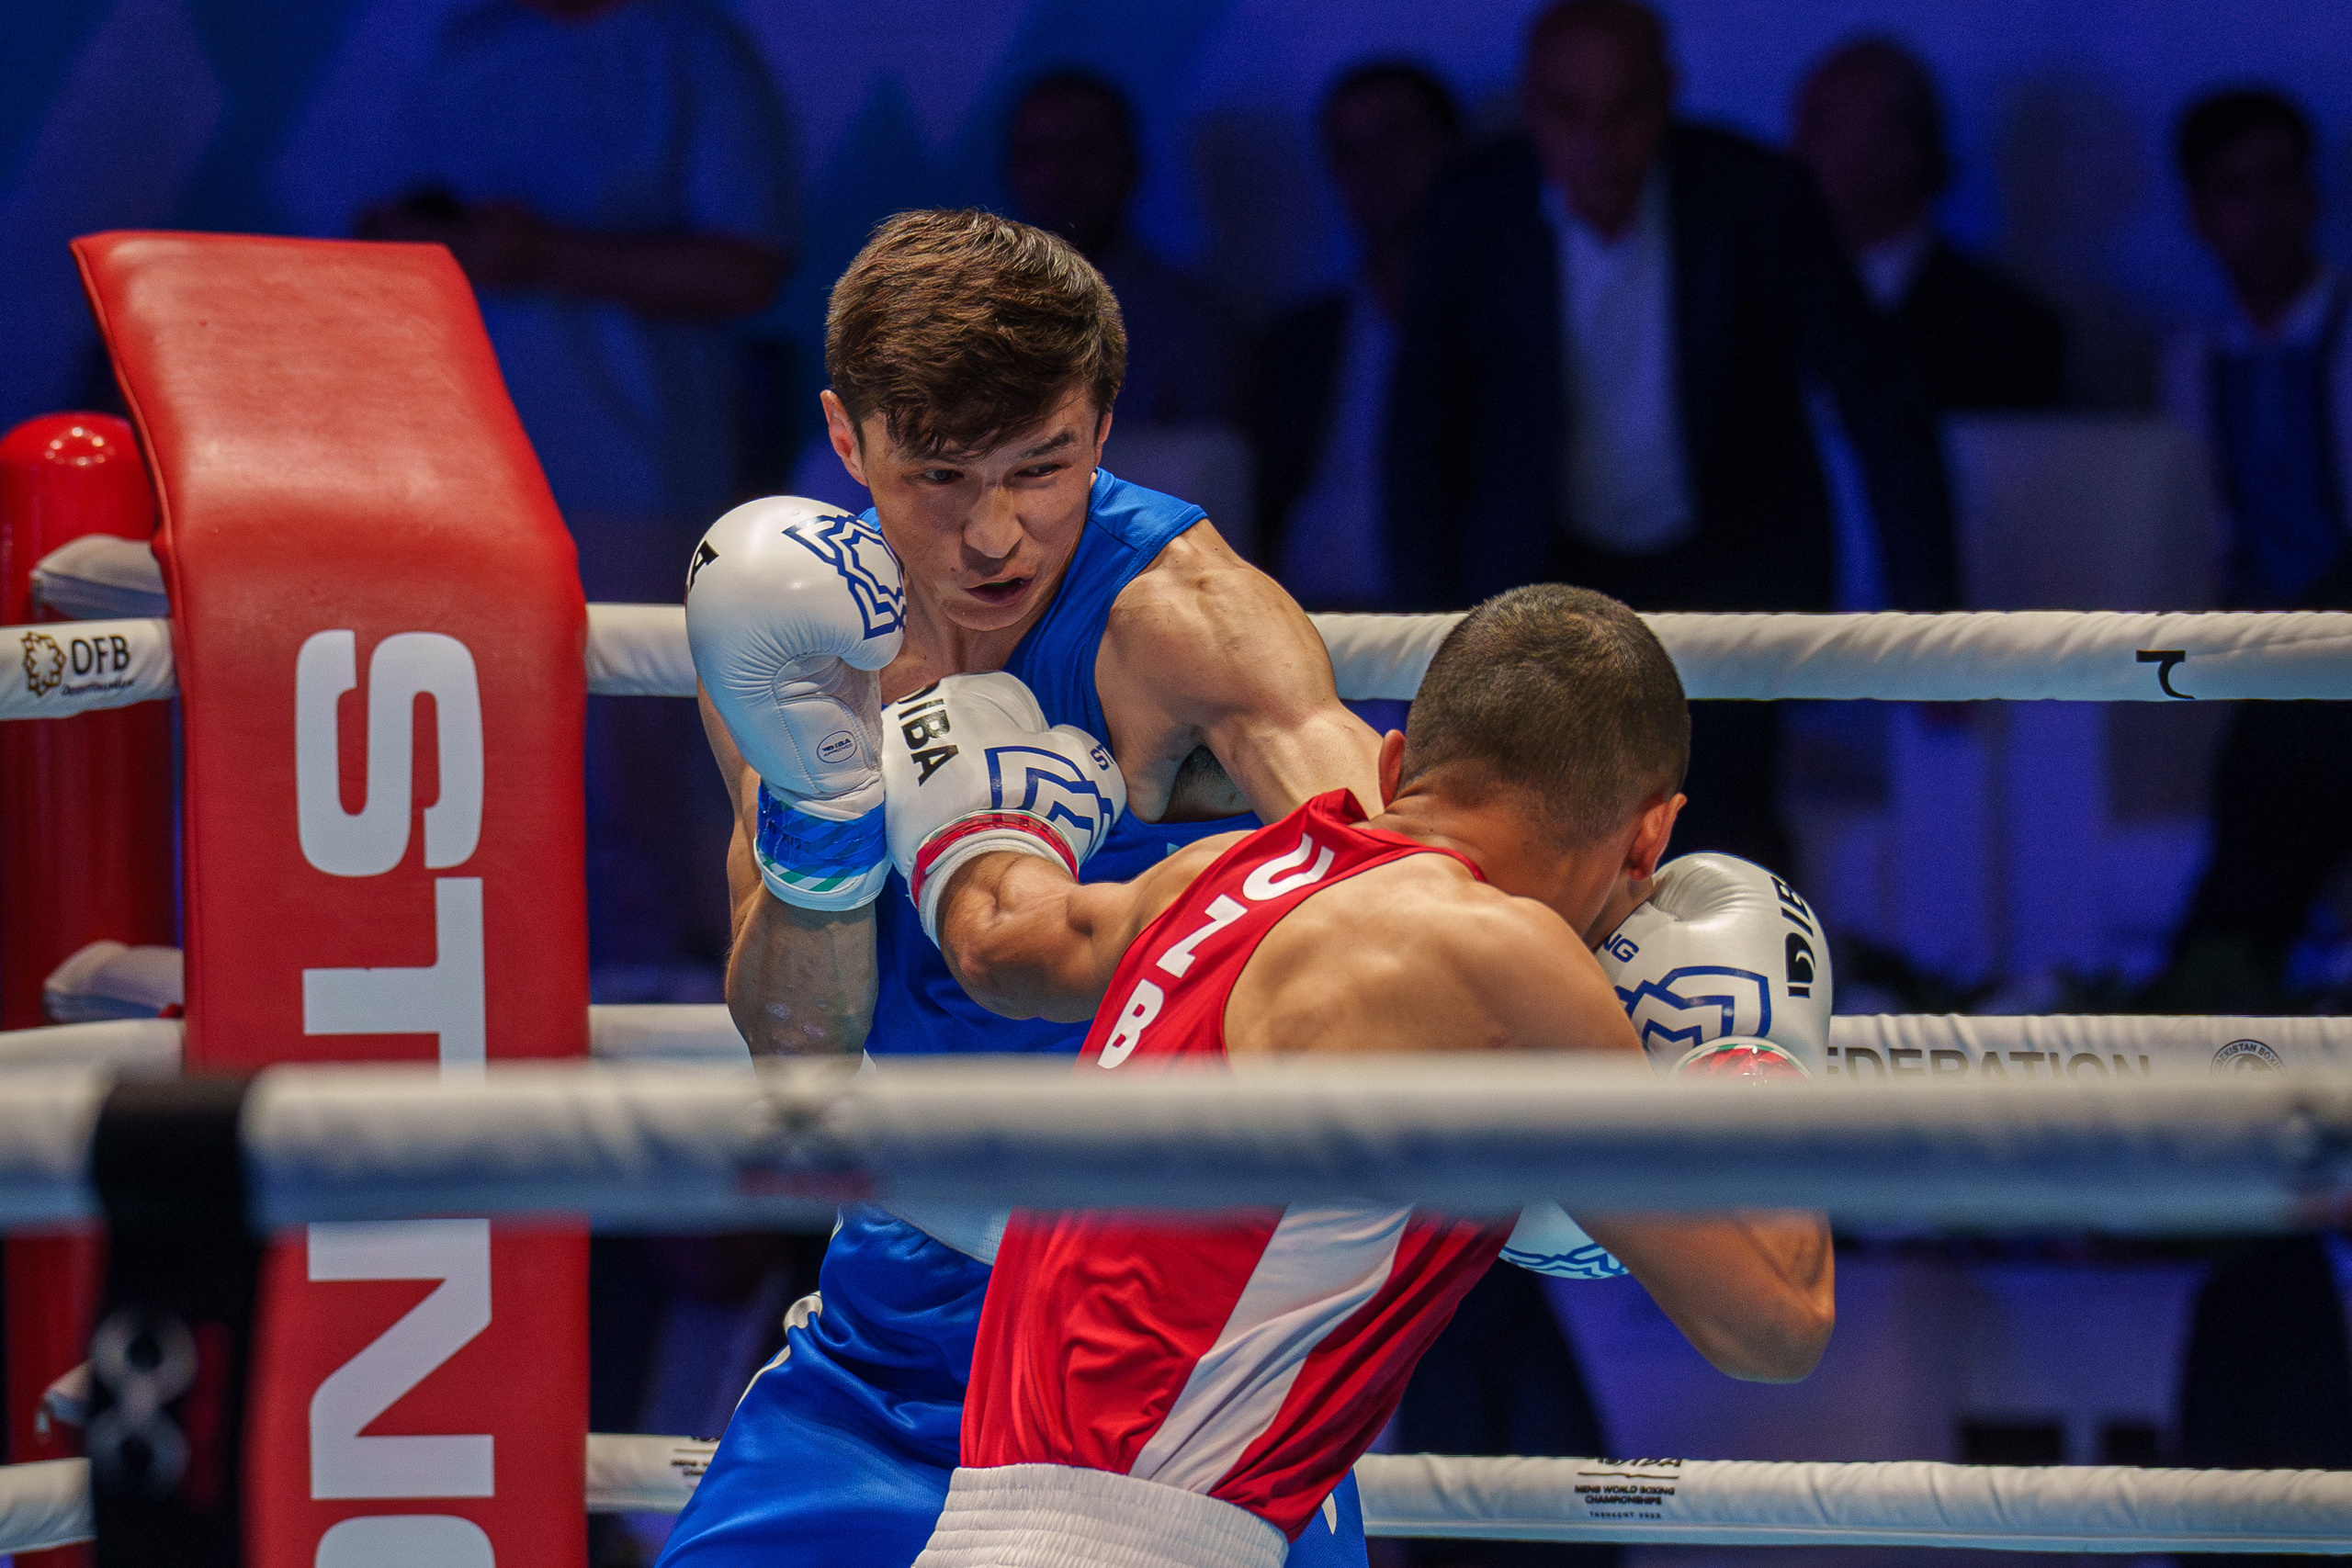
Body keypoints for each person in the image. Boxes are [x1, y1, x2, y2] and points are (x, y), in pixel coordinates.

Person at [659, 209, 1383, 1568]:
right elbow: (800, 1048)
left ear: (1103, 424)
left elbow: (1390, 895)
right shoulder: (793, 627)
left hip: (1164, 1320)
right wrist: (828, 816)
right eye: (940, 475)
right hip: (899, 1302)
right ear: (848, 436)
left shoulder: (1185, 621)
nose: (996, 533)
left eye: (1041, 468)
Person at [892, 585, 1836, 1566]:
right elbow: (1774, 1324)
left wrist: (969, 815)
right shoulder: (1508, 959)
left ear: (1392, 767)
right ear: (1650, 837)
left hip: (974, 1521)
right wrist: (1749, 1044)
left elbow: (1002, 948)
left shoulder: (1215, 875)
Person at [1385, 0, 1951, 872]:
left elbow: (1881, 404)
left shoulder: (1757, 196)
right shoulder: (1473, 211)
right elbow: (1421, 438)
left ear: (1667, 98)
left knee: (1727, 835)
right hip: (1538, 569)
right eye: (1567, 112)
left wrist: (1932, 620)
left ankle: (1752, 967)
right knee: (1526, 839)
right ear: (1529, 108)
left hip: (1730, 563)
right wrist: (1421, 646)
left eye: (1624, 111)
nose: (1595, 144)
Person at [357, 0, 797, 985]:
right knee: (479, 736)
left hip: (638, 466)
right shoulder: (470, 46)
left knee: (649, 747)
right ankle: (508, 976)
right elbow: (393, 218)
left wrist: (548, 255)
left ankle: (698, 985)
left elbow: (750, 265)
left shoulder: (691, 50)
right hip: (462, 463)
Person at [2152, 89, 2352, 1008]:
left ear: (2312, 198)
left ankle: (2205, 986)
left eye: (2280, 184)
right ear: (2199, 213)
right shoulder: (2194, 361)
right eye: (2236, 189)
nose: (2263, 214)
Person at [1254, 62, 1464, 610]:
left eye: (1396, 137)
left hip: (1442, 625)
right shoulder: (1302, 341)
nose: (1373, 167)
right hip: (1300, 618)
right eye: (1349, 151)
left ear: (1451, 149)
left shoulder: (1499, 330)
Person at [1791, 37, 2064, 413]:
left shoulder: (2008, 332)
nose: (1795, 151)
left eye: (1823, 127)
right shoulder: (1758, 306)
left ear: (1902, 154)